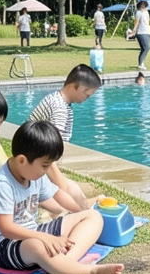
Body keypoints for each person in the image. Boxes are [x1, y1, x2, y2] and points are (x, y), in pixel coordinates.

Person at [0, 121, 124, 274]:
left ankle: (65, 264)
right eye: (44, 165)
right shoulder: (2, 183)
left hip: (32, 231)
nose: (47, 171)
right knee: (38, 246)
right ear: (22, 160)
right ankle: (91, 271)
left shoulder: (34, 175)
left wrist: (80, 211)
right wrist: (46, 237)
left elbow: (58, 195)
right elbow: (7, 229)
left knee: (93, 216)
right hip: (2, 246)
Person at [28, 64, 103, 210]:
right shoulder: (59, 109)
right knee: (68, 189)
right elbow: (50, 149)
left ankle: (81, 204)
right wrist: (60, 183)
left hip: (39, 158)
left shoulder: (57, 100)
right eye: (87, 95)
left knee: (70, 187)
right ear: (75, 87)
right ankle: (83, 207)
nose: (87, 98)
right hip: (39, 160)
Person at [134, 0, 150, 71]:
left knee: (145, 48)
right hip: (141, 32)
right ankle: (141, 64)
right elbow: (137, 21)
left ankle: (142, 63)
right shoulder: (138, 13)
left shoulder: (146, 12)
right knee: (146, 47)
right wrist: (134, 29)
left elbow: (148, 21)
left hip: (147, 31)